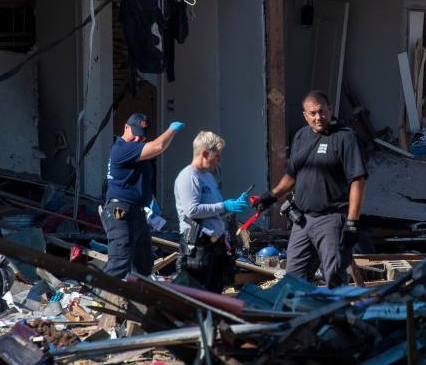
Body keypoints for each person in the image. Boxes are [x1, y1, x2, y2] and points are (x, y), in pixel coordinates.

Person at [251, 91, 367, 288]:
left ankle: (336, 317)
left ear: (330, 110)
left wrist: (352, 221)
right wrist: (272, 195)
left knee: (335, 278)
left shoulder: (346, 138)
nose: (318, 117)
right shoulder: (301, 136)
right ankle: (303, 317)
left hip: (331, 219)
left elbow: (358, 180)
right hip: (302, 221)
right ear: (305, 115)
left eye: (322, 112)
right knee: (293, 279)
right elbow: (292, 175)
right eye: (312, 113)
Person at [103, 112, 184, 278]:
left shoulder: (137, 152)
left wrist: (149, 199)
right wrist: (171, 130)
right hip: (120, 212)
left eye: (141, 137)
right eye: (134, 134)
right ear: (125, 127)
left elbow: (157, 151)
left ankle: (137, 300)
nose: (137, 139)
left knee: (144, 262)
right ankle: (102, 298)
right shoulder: (121, 149)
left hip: (137, 212)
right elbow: (158, 147)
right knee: (120, 259)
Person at [173, 131, 249, 292]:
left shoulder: (208, 177)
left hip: (215, 246)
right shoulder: (188, 176)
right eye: (217, 156)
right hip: (198, 246)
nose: (219, 160)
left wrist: (233, 205)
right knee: (197, 296)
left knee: (214, 293)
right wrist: (224, 206)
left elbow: (213, 211)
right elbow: (192, 210)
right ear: (205, 154)